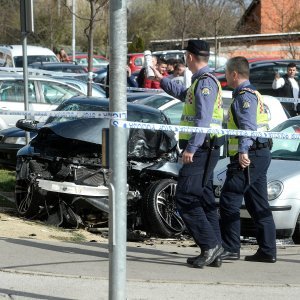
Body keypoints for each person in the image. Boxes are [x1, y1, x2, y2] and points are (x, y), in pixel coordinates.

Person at [152, 40, 224, 268]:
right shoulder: (201, 81)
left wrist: (192, 147)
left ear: (189, 56)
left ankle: (210, 245)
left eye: (185, 55)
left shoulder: (205, 82)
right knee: (203, 198)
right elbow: (184, 95)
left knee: (185, 197)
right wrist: (160, 79)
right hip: (206, 146)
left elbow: (202, 119)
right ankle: (215, 249)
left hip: (202, 148)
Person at [220, 56, 276, 263]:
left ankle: (231, 248)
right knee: (257, 203)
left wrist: (243, 151)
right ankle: (268, 250)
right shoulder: (254, 94)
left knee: (228, 200)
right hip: (259, 154)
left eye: (226, 73)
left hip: (249, 156)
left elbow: (248, 127)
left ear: (234, 74)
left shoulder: (244, 96)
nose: (225, 77)